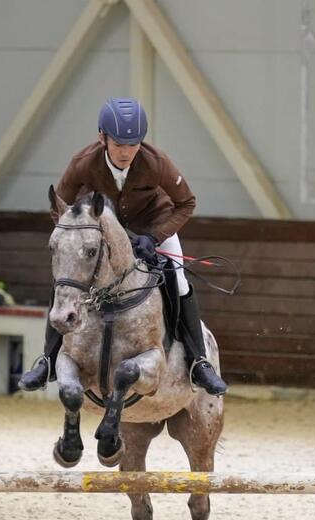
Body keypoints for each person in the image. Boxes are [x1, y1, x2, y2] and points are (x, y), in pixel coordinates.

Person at [19, 96, 227, 396]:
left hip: (153, 228)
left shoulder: (156, 162)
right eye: (119, 144)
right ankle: (48, 361)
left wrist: (154, 237)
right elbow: (61, 207)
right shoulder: (83, 163)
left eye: (133, 144)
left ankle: (199, 362)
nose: (126, 152)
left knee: (179, 280)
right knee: (67, 278)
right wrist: (78, 235)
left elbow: (186, 203)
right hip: (102, 231)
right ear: (102, 138)